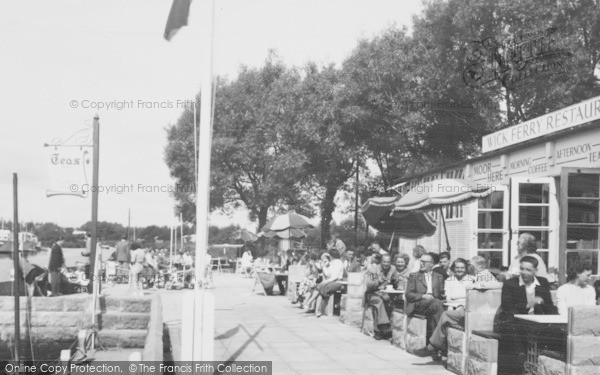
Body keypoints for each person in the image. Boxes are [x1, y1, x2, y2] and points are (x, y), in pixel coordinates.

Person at [497, 255, 557, 373]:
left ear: (535, 271)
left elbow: (549, 306)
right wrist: (529, 303)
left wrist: (557, 319)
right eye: (522, 268)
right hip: (515, 324)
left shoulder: (543, 282)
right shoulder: (510, 284)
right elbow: (507, 308)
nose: (524, 272)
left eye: (528, 270)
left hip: (537, 324)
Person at [415, 258, 474, 359]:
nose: (459, 270)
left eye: (462, 268)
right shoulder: (449, 280)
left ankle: (433, 347)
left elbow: (472, 299)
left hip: (468, 310)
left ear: (466, 269)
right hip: (453, 307)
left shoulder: (472, 280)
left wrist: (462, 305)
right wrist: (459, 305)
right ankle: (439, 349)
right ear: (454, 269)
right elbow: (449, 299)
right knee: (440, 317)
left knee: (444, 317)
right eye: (457, 268)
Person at [405, 253, 445, 338]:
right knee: (437, 304)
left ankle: (434, 342)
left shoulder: (439, 276)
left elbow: (441, 294)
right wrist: (423, 296)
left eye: (424, 262)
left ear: (431, 264)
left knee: (436, 309)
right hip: (418, 304)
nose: (421, 263)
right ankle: (442, 336)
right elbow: (408, 294)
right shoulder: (414, 276)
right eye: (420, 261)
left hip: (433, 305)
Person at [365, 254, 401, 340]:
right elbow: (368, 285)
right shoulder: (373, 269)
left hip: (385, 293)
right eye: (384, 261)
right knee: (378, 302)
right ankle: (383, 327)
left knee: (389, 302)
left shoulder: (393, 268)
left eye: (388, 262)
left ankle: (379, 331)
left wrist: (398, 284)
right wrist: (378, 281)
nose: (386, 264)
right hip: (372, 293)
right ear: (381, 262)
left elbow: (396, 280)